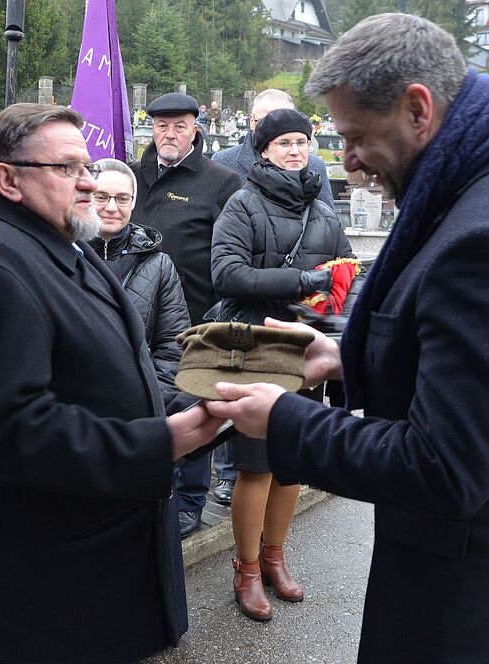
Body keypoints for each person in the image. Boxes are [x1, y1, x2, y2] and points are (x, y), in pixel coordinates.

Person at [206, 13, 489, 662]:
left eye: (356, 136)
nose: (344, 161)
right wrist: (349, 355)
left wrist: (284, 420)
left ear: (418, 109)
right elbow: (485, 365)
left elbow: (444, 466)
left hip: (488, 616)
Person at [0, 103, 224, 664]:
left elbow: (106, 377)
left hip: (100, 557)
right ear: (6, 179)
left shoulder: (61, 244)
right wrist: (165, 440)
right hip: (50, 582)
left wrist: (209, 406)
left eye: (85, 165)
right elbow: (14, 432)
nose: (88, 182)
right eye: (67, 168)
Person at [211, 108, 352, 621]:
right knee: (256, 464)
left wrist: (333, 305)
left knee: (291, 462)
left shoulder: (323, 209)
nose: (295, 150)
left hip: (305, 349)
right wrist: (302, 282)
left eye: (302, 141)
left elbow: (343, 271)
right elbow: (226, 274)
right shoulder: (243, 204)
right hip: (255, 346)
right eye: (284, 142)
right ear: (264, 149)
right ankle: (246, 568)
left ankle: (275, 557)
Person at [129, 92, 241, 538]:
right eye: (161, 126)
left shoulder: (221, 182)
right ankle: (150, 489)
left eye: (179, 126)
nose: (169, 135)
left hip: (196, 317)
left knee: (193, 405)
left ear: (196, 128)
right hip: (137, 318)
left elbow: (229, 253)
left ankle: (191, 500)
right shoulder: (134, 176)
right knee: (149, 406)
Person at [88, 157, 191, 393]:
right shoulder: (65, 255)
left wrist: (150, 399)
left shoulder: (159, 265)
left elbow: (173, 345)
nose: (111, 207)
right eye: (101, 197)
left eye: (122, 198)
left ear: (133, 202)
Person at [212, 91, 335, 225]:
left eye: (285, 121)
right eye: (266, 120)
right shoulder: (223, 162)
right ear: (252, 121)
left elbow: (329, 225)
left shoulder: (315, 166)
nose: (276, 128)